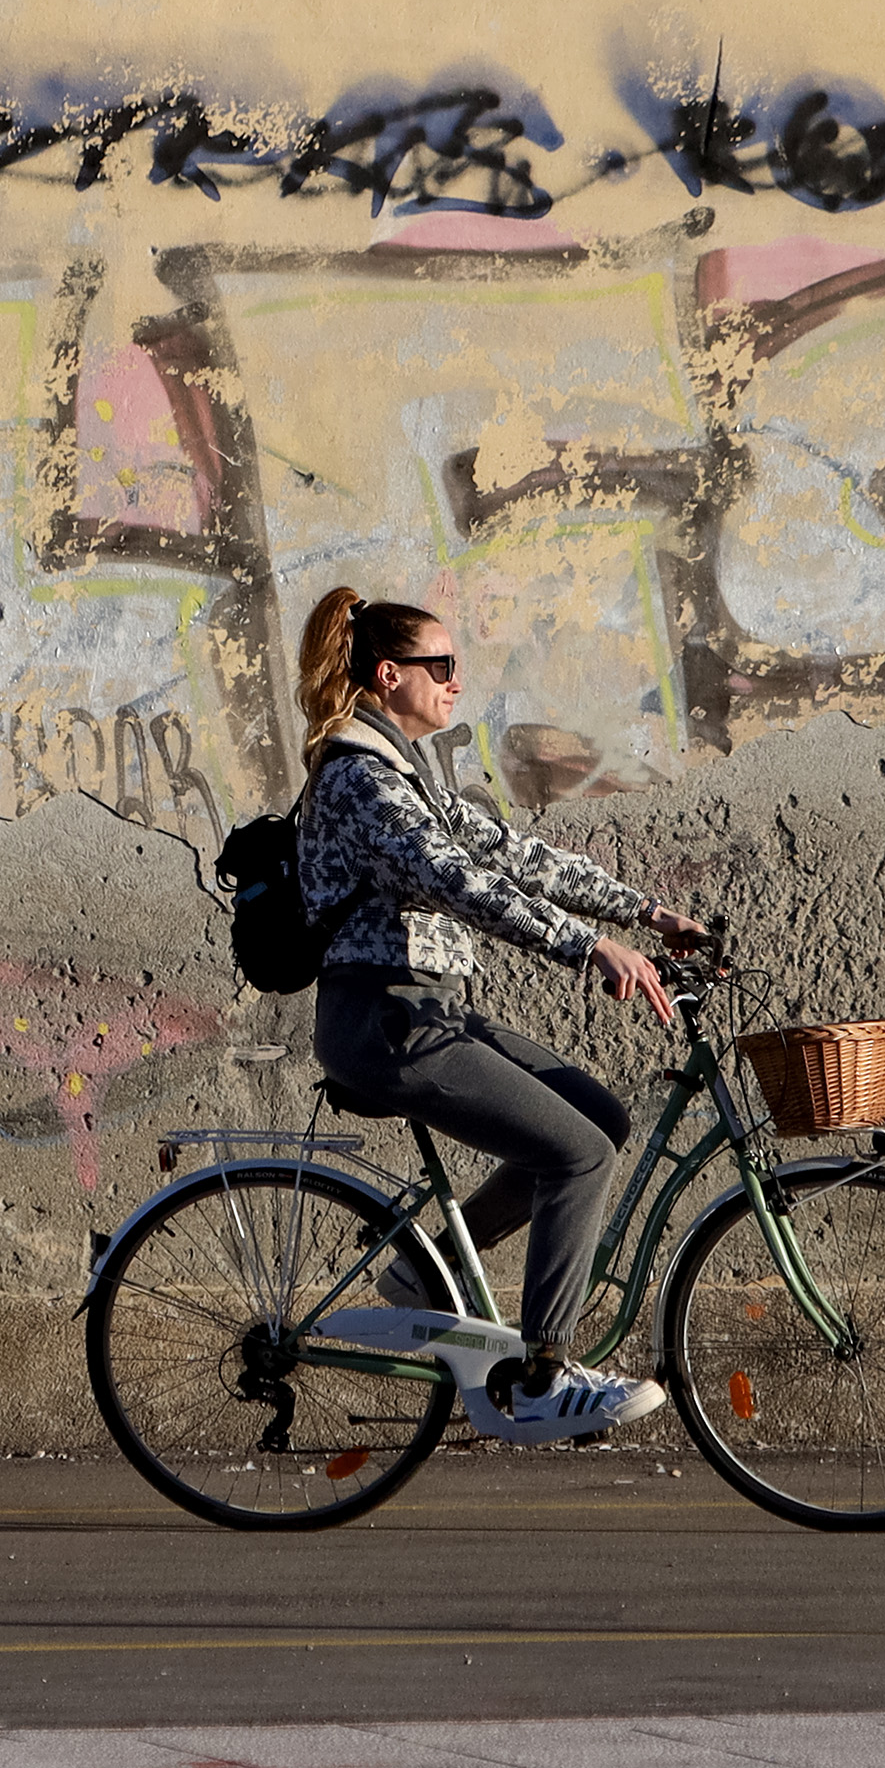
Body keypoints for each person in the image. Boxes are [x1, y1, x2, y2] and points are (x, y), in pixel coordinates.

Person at [288, 586, 704, 1443]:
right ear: (388, 674)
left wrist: (644, 911)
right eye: (440, 666)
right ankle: (546, 1375)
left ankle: (421, 1270)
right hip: (387, 1026)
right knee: (581, 1154)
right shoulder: (362, 778)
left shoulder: (406, 766)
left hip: (428, 1013)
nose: (454, 682)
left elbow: (509, 853)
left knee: (596, 1117)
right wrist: (588, 948)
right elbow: (462, 883)